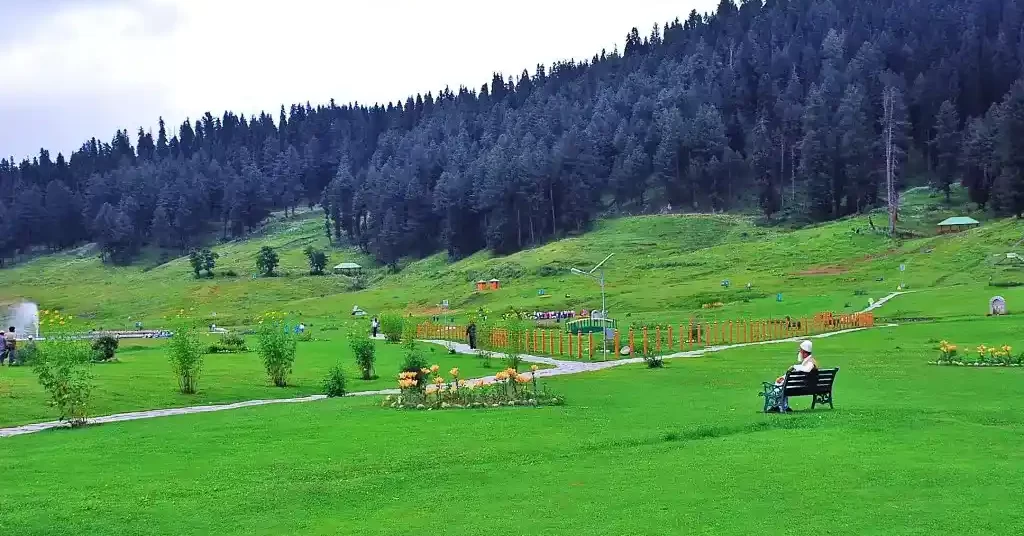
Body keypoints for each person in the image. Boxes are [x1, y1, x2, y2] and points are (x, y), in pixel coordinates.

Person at [772, 340, 818, 412]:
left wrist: (794, 366)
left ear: (804, 353)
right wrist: (784, 377)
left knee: (779, 386)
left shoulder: (810, 362)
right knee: (780, 383)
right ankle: (781, 406)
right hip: (803, 386)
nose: (799, 352)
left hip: (801, 387)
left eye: (801, 351)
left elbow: (807, 369)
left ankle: (778, 406)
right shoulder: (807, 362)